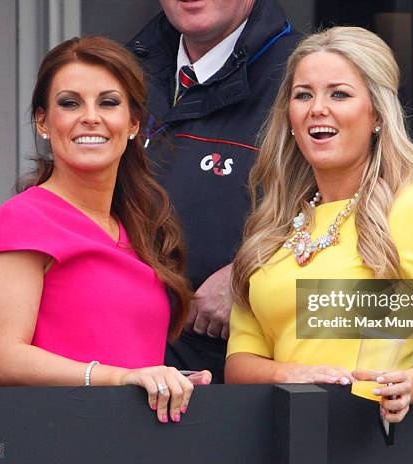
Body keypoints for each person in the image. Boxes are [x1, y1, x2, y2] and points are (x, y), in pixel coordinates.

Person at [225, 27, 413, 422]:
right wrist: (292, 375)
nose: (317, 108)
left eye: (339, 94)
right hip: (270, 437)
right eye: (303, 94)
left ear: (376, 114)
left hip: (364, 438)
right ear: (289, 116)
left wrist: (411, 384)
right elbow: (240, 364)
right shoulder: (270, 229)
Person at [0, 36, 210, 424]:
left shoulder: (139, 227)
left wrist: (168, 383)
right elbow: (5, 359)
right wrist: (121, 378)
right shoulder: (22, 221)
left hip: (139, 441)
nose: (90, 116)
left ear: (132, 124)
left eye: (108, 102)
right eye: (70, 103)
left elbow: (127, 355)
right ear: (44, 122)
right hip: (56, 438)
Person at [127, 0, 300, 383]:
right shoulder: (122, 73)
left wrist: (250, 272)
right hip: (130, 375)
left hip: (252, 394)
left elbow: (363, 224)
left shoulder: (307, 76)